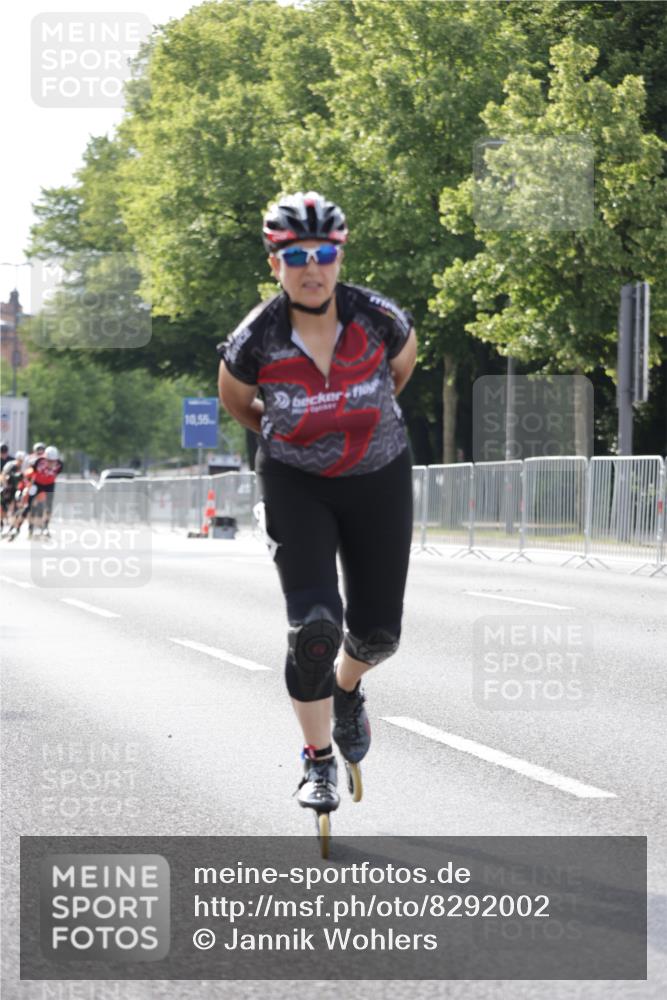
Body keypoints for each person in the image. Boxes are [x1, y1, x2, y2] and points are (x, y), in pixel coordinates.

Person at [218, 191, 417, 821]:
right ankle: (316, 758)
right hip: (295, 481)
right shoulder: (255, 340)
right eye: (295, 254)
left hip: (379, 474)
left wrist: (354, 427)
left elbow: (400, 374)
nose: (312, 266)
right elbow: (238, 403)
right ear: (274, 261)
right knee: (313, 630)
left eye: (324, 253)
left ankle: (348, 687)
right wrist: (299, 434)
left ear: (340, 254)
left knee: (379, 634)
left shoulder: (381, 320)